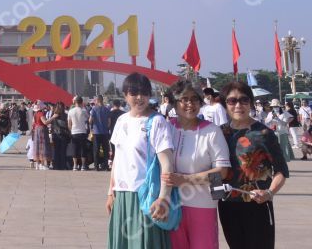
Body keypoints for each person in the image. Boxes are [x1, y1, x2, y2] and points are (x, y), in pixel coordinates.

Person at [107, 72, 174, 249]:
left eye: (144, 93)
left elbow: (167, 163)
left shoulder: (157, 122)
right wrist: (110, 191)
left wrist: (163, 198)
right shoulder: (121, 120)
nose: (139, 98)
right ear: (125, 95)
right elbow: (117, 158)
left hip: (146, 196)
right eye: (133, 93)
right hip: (122, 194)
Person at [218, 81, 289, 249]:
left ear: (250, 102)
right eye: (232, 101)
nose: (238, 105)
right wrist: (216, 196)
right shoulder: (219, 133)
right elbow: (213, 166)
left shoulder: (264, 133)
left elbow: (281, 171)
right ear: (224, 104)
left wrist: (269, 192)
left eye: (243, 100)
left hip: (257, 205)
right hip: (228, 206)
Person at [162, 80, 231, 249]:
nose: (190, 104)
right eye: (184, 99)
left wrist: (185, 180)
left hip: (203, 205)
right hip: (172, 207)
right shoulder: (166, 129)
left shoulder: (212, 131)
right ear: (174, 103)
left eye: (194, 99)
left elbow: (222, 172)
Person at [30, 100, 54, 170]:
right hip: (42, 130)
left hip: (37, 129)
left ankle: (38, 164)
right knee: (42, 146)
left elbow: (33, 123)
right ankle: (42, 164)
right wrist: (53, 117)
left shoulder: (35, 113)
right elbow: (45, 122)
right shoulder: (41, 113)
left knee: (37, 146)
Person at [90, 95, 111, 171]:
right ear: (102, 100)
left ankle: (96, 166)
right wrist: (106, 127)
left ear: (97, 100)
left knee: (96, 150)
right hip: (105, 132)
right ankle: (105, 166)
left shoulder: (94, 109)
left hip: (96, 132)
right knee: (106, 150)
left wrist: (92, 126)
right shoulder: (107, 109)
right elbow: (109, 122)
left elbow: (90, 120)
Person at [68, 96, 89, 171]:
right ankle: (83, 165)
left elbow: (69, 124)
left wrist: (71, 130)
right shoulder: (83, 111)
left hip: (74, 132)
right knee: (83, 149)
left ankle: (75, 165)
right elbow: (88, 119)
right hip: (82, 131)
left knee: (74, 149)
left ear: (75, 102)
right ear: (81, 102)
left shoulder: (71, 111)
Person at [49, 102, 70, 170]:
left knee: (56, 151)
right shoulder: (65, 115)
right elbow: (67, 126)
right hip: (64, 135)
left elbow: (52, 125)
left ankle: (56, 166)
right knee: (63, 151)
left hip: (55, 135)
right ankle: (63, 165)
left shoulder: (53, 115)